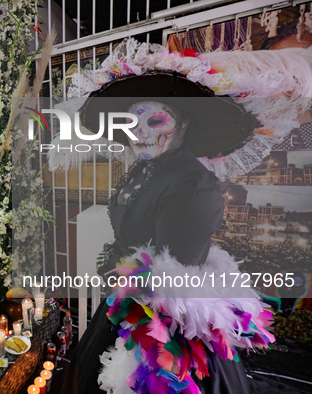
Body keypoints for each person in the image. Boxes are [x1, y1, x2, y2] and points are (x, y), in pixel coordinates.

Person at [53, 39, 312, 394]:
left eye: (156, 120)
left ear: (184, 126)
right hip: (128, 299)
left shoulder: (192, 181)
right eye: (133, 120)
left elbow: (177, 274)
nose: (141, 132)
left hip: (165, 325)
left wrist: (131, 277)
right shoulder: (147, 169)